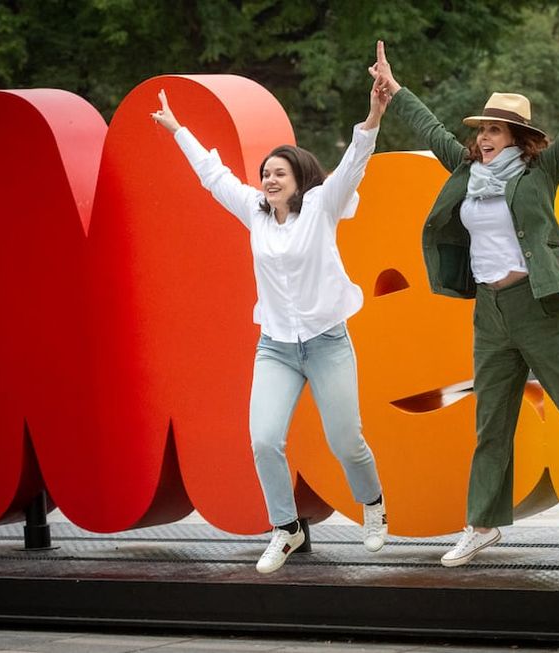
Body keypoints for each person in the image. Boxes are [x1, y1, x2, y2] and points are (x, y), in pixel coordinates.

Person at [369, 25, 559, 565]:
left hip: (539, 307)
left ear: (518, 138)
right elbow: (430, 128)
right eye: (482, 130)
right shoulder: (466, 170)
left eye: (495, 130)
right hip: (490, 312)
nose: (484, 138)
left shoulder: (541, 171)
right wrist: (394, 87)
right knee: (491, 425)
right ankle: (481, 525)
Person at [150, 78, 390, 573]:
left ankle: (373, 504)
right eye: (265, 173)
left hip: (327, 343)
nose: (269, 179)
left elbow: (354, 162)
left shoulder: (321, 206)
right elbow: (213, 176)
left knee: (346, 440)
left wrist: (374, 114)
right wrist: (178, 130)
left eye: (279, 173)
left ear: (300, 178)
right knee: (263, 440)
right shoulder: (254, 213)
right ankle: (285, 527)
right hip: (276, 348)